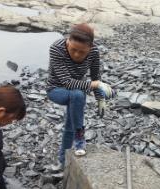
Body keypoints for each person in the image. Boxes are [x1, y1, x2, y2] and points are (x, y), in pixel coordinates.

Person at [47, 23, 115, 169]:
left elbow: (95, 76)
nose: (77, 54)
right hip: (56, 89)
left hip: (78, 91)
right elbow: (67, 82)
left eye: (82, 52)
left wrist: (100, 98)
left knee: (70, 122)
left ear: (90, 48)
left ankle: (63, 161)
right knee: (77, 94)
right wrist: (96, 85)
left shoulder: (94, 51)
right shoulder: (56, 48)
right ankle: (80, 136)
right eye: (73, 50)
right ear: (68, 41)